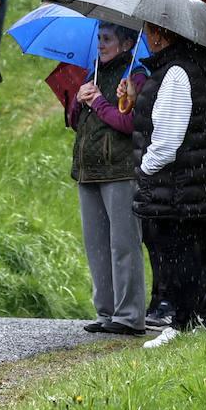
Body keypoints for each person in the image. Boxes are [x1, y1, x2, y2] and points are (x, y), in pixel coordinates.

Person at [128, 23, 206, 349]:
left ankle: (182, 323)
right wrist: (135, 99)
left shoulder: (176, 74)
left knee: (178, 256)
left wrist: (144, 169)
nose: (144, 38)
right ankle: (188, 319)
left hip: (176, 184)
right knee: (181, 254)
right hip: (180, 183)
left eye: (148, 32)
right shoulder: (173, 71)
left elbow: (168, 140)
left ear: (160, 35)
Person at [68, 24, 147, 338]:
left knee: (124, 244)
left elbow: (127, 123)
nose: (101, 45)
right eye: (99, 39)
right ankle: (106, 312)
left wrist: (99, 101)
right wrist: (78, 99)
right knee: (96, 246)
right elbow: (75, 123)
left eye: (107, 39)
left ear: (127, 43)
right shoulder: (92, 74)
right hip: (88, 171)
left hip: (120, 170)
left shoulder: (135, 76)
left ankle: (129, 316)